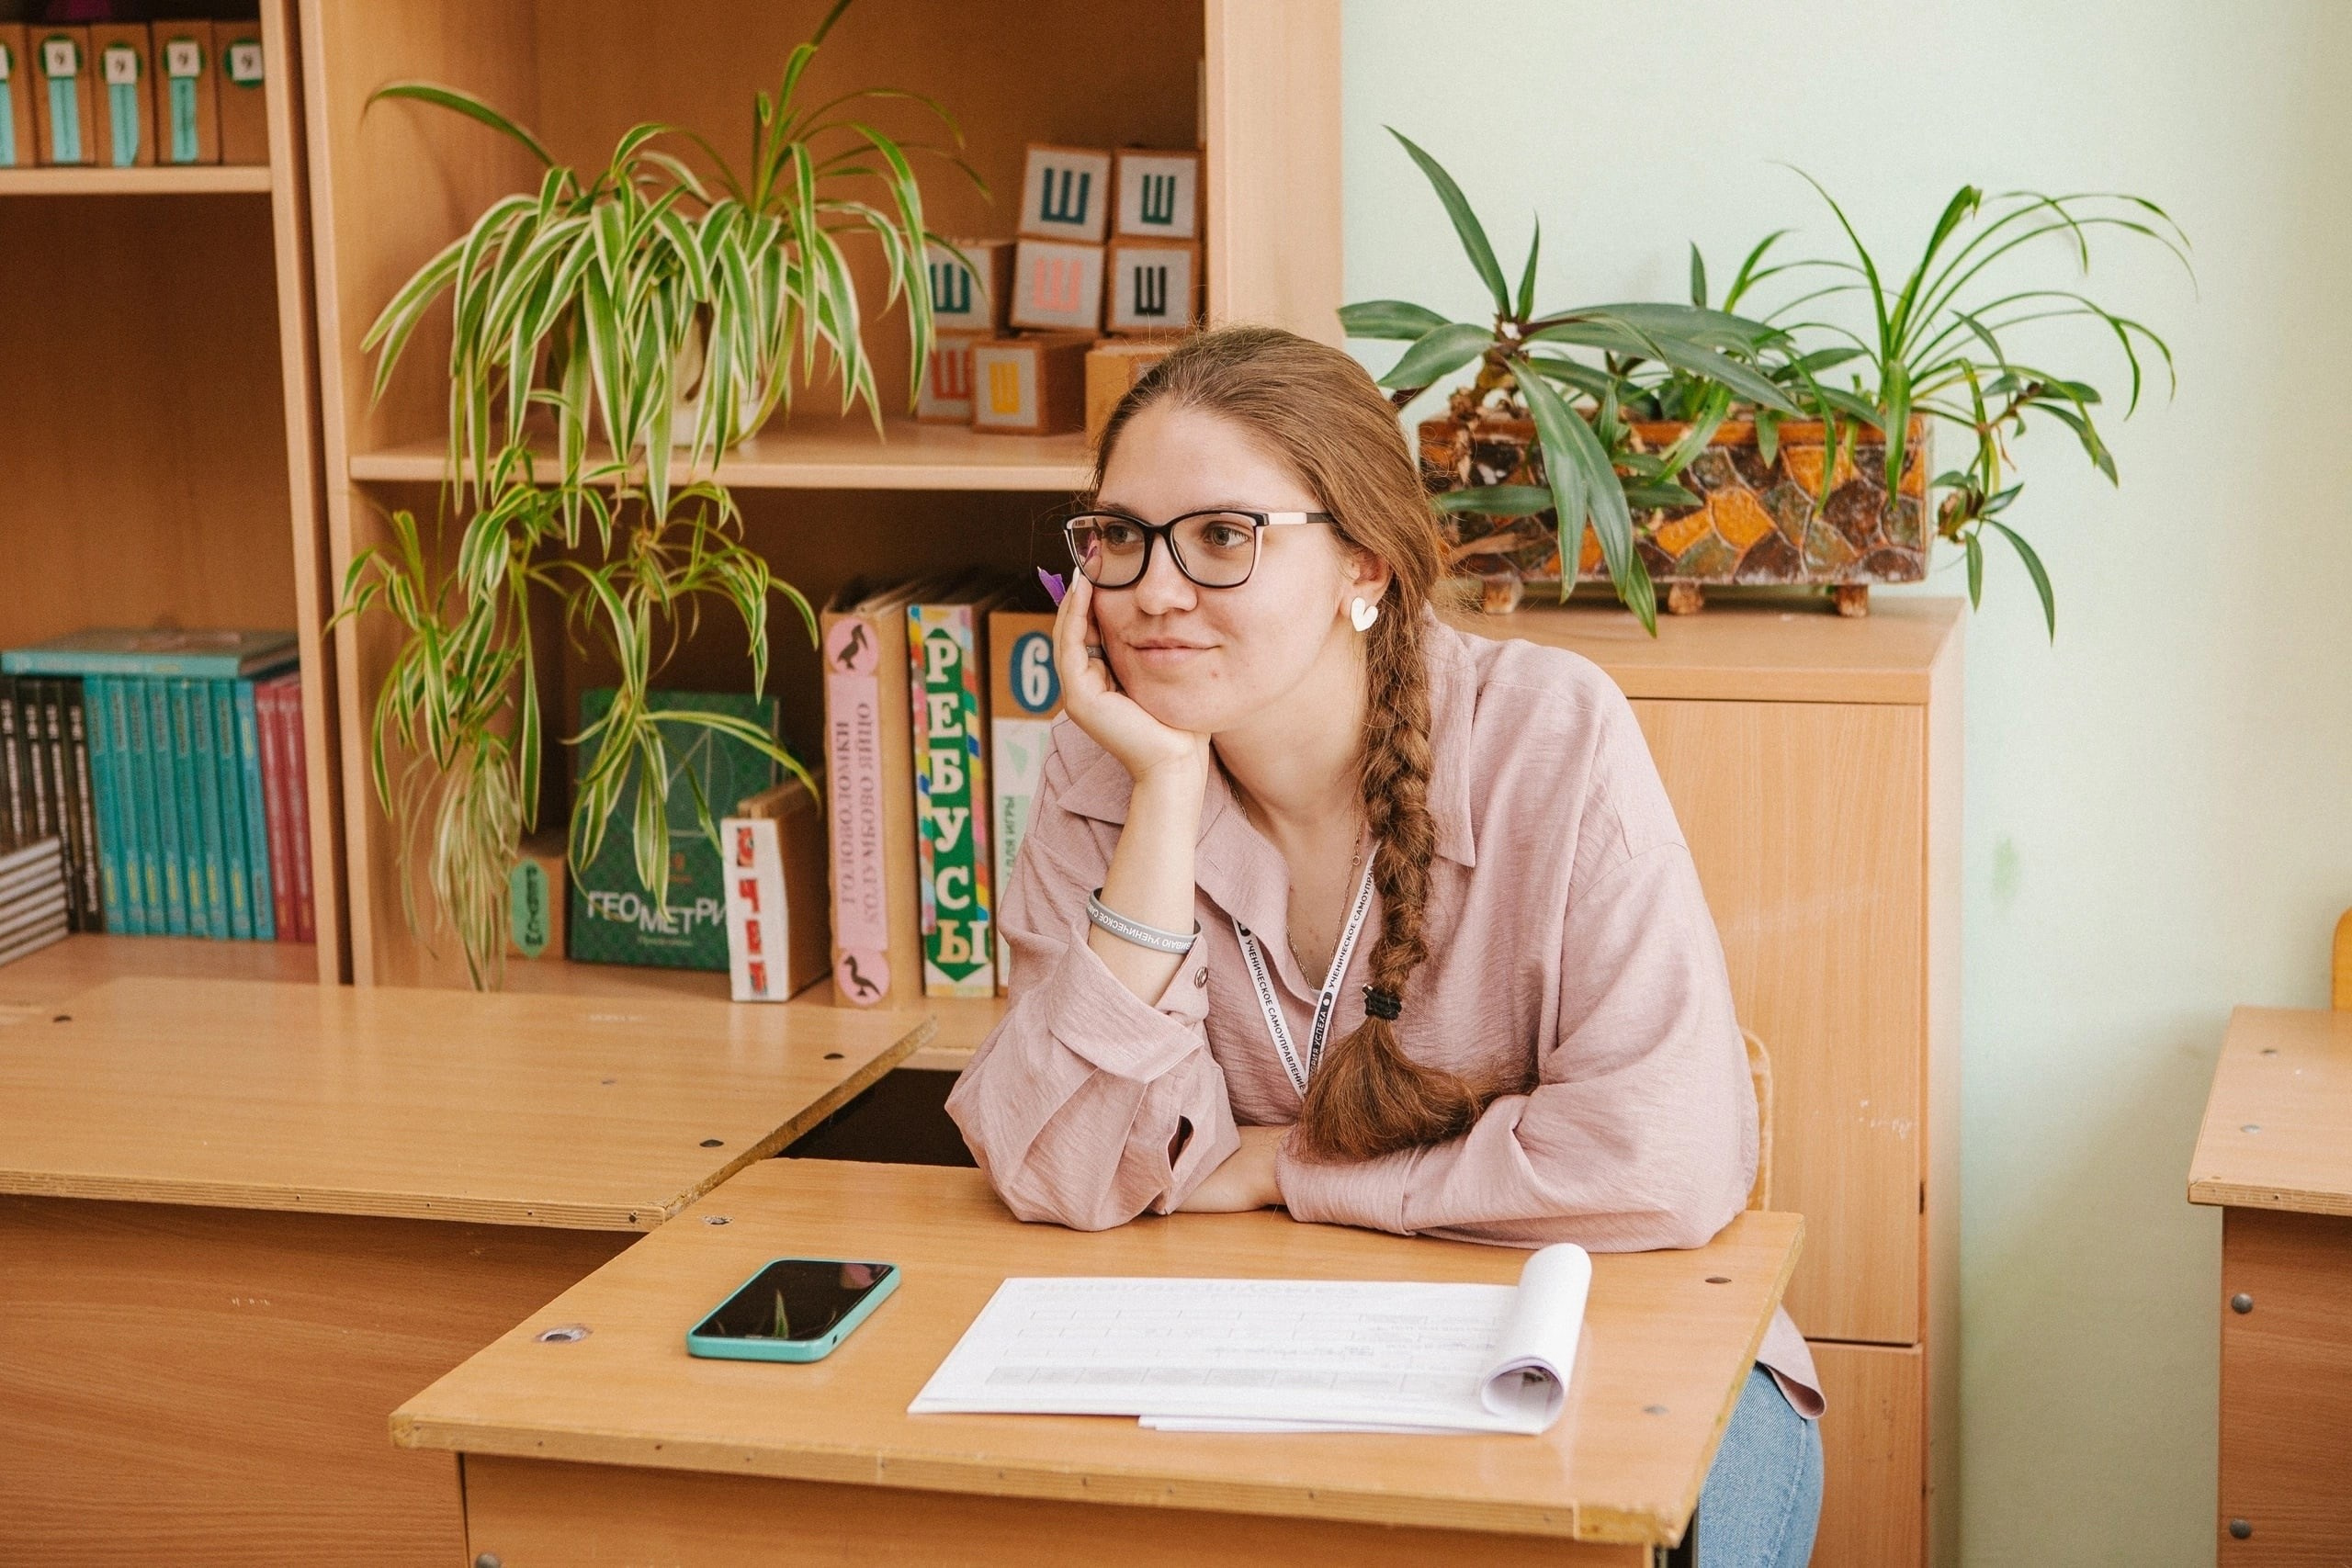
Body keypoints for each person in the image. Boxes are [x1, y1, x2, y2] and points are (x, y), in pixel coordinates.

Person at [944, 324, 1824, 1567]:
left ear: (1362, 562)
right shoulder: (1111, 768)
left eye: (1220, 537)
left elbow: (1659, 1161)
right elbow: (1065, 1172)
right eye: (1119, 537)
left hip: (1617, 1366)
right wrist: (1163, 799)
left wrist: (1284, 1171)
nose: (1150, 590)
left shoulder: (1547, 737)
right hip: (1279, 1374)